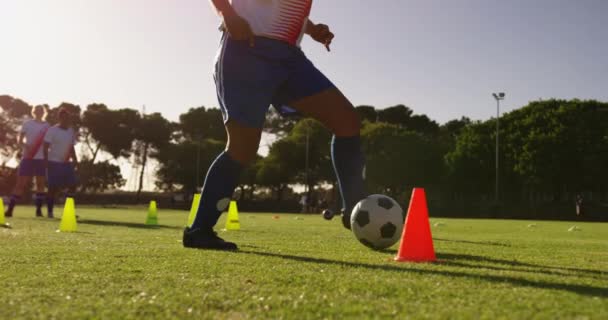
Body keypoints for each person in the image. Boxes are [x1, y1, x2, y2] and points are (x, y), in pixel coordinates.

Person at [183, 0, 367, 250]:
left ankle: (355, 209)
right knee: (242, 148)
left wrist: (311, 30)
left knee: (347, 121)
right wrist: (227, 13)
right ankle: (199, 231)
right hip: (246, 50)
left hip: (290, 59)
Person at [4, 105, 51, 218]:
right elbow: (20, 138)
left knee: (40, 184)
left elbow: (49, 142)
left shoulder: (47, 126)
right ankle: (10, 210)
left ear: (43, 112)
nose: (39, 112)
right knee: (20, 184)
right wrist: (24, 145)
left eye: (41, 110)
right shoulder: (27, 124)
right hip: (28, 157)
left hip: (41, 159)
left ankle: (38, 211)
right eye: (37, 110)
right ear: (33, 112)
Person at [43, 108, 79, 218]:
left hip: (66, 163)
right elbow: (45, 147)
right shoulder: (52, 130)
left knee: (73, 185)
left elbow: (71, 147)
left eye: (68, 117)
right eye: (63, 117)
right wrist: (45, 161)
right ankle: (50, 212)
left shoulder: (71, 131)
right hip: (53, 162)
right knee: (52, 188)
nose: (66, 119)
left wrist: (76, 160)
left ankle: (68, 211)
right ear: (59, 118)